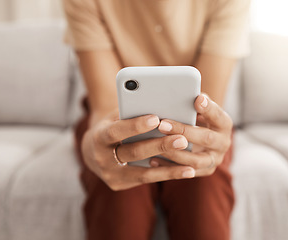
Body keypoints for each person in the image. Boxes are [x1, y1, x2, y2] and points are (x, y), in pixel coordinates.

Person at [62, 1, 250, 239]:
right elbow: (106, 108)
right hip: (115, 117)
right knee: (118, 195)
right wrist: (98, 146)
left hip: (195, 124)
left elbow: (205, 107)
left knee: (203, 187)